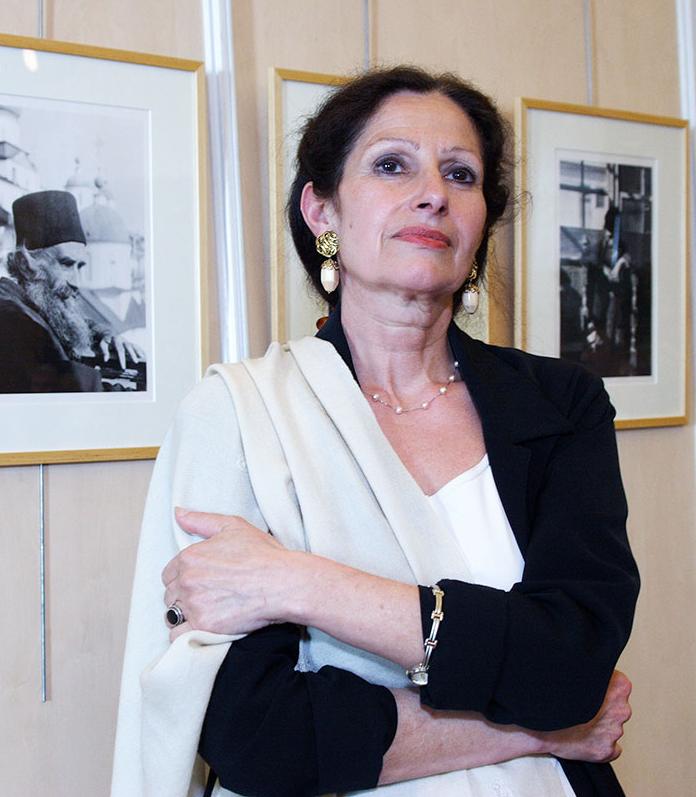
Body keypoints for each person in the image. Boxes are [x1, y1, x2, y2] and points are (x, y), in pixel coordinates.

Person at [111, 67, 639, 797]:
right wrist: (537, 729)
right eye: (392, 165)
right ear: (322, 210)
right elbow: (259, 738)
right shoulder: (238, 414)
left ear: (482, 220)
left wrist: (300, 583)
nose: (433, 193)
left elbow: (570, 665)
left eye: (460, 173)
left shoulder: (559, 405)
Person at [0, 190, 143, 392]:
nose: (77, 281)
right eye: (66, 264)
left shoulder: (33, 304)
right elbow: (68, 387)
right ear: (25, 264)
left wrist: (103, 335)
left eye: (80, 266)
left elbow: (58, 323)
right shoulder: (11, 319)